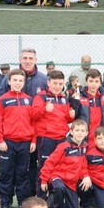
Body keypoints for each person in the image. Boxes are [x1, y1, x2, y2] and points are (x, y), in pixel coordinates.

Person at [0, 48, 47, 197]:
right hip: (9, 138)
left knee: (28, 170)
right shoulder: (7, 81)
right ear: (20, 60)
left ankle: (27, 199)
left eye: (31, 58)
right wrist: (2, 132)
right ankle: (5, 201)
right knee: (7, 172)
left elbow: (42, 110)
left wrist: (34, 137)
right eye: (25, 58)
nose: (28, 61)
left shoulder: (42, 80)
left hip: (30, 137)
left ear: (35, 60)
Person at [0, 69, 36, 208]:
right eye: (15, 80)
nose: (17, 83)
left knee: (22, 174)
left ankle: (22, 202)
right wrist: (0, 140)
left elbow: (34, 122)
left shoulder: (29, 100)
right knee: (6, 173)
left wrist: (33, 140)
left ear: (24, 83)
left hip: (25, 143)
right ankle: (5, 202)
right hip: (7, 143)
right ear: (9, 81)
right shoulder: (2, 100)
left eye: (20, 80)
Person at [30, 70, 76, 198]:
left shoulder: (63, 98)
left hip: (62, 139)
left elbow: (65, 119)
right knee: (44, 168)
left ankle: (55, 198)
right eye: (54, 83)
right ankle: (41, 199)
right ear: (48, 83)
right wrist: (44, 109)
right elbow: (33, 115)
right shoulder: (41, 97)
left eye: (60, 83)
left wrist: (70, 117)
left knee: (59, 168)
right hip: (46, 139)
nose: (57, 86)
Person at [40, 119, 91, 208]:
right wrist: (44, 179)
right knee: (59, 188)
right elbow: (50, 162)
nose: (80, 133)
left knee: (87, 185)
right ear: (71, 131)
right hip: (57, 177)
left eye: (82, 131)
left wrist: (86, 175)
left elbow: (83, 165)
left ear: (86, 133)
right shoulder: (64, 146)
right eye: (77, 130)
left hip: (72, 182)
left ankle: (84, 205)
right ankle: (53, 205)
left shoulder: (84, 147)